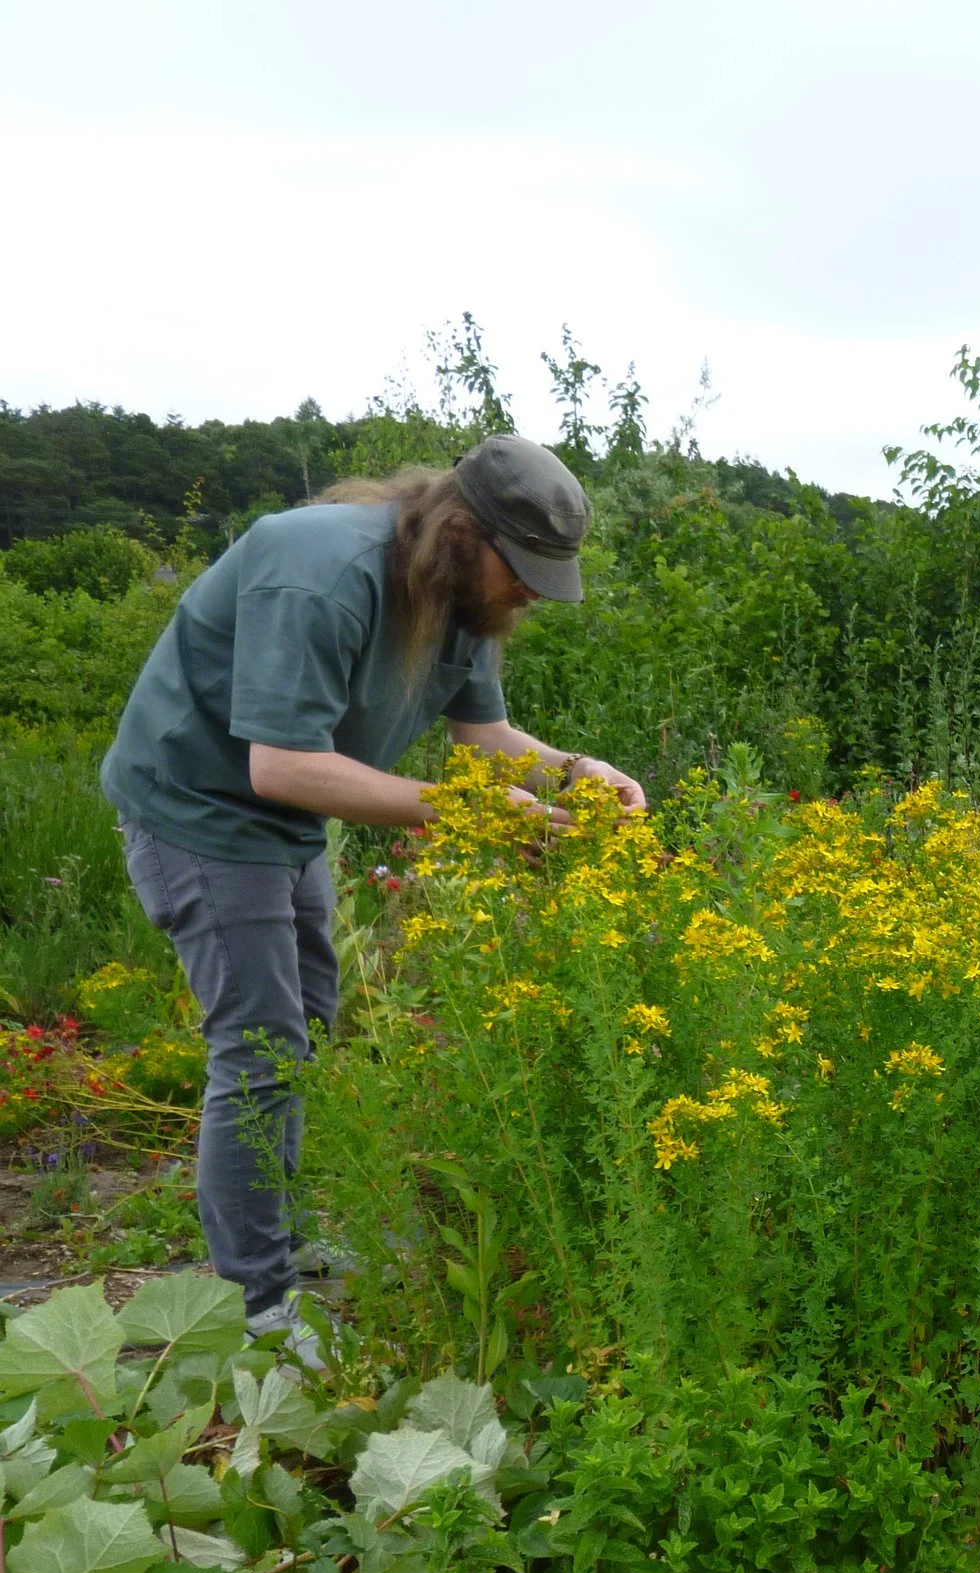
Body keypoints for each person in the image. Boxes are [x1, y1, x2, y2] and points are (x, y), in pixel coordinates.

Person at [98, 437, 645, 1362]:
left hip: (283, 821)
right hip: (197, 807)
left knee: (306, 1023)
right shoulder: (318, 572)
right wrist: (469, 811)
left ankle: (274, 1241)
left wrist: (576, 773)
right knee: (260, 1051)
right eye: (523, 568)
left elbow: (485, 737)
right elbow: (281, 766)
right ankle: (255, 1306)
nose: (531, 593)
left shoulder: (462, 598)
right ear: (462, 530)